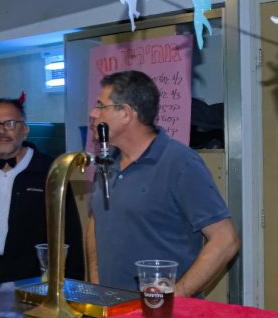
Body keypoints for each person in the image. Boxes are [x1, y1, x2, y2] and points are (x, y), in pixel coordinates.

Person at [87, 70, 239, 295]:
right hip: (112, 307)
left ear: (126, 113)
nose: (93, 113)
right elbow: (96, 222)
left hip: (163, 311)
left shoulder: (181, 163)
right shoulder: (106, 163)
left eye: (101, 106)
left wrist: (176, 295)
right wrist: (97, 284)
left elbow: (225, 240)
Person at [0, 96, 84, 291]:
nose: (1, 131)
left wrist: (73, 290)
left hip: (33, 288)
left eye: (10, 124)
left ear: (25, 130)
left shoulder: (50, 172)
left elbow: (70, 237)